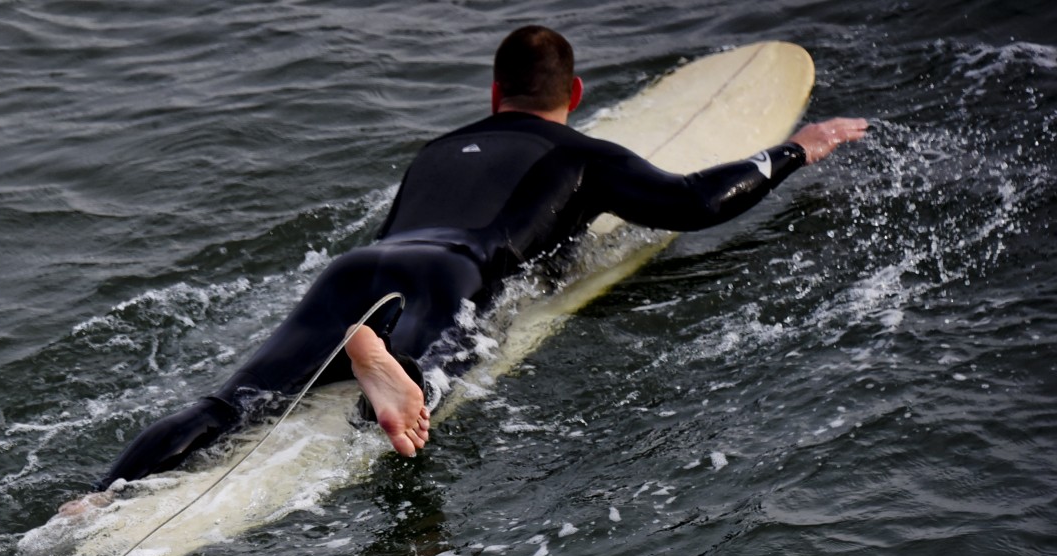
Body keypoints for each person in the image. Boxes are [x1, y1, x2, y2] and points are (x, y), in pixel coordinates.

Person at [66, 26, 867, 511]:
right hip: (455, 272)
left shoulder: (437, 149)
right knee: (435, 367)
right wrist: (806, 145)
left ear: (493, 93)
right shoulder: (580, 153)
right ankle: (392, 373)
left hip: (360, 267)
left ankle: (99, 495)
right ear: (575, 93)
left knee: (232, 400)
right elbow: (696, 201)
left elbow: (404, 236)